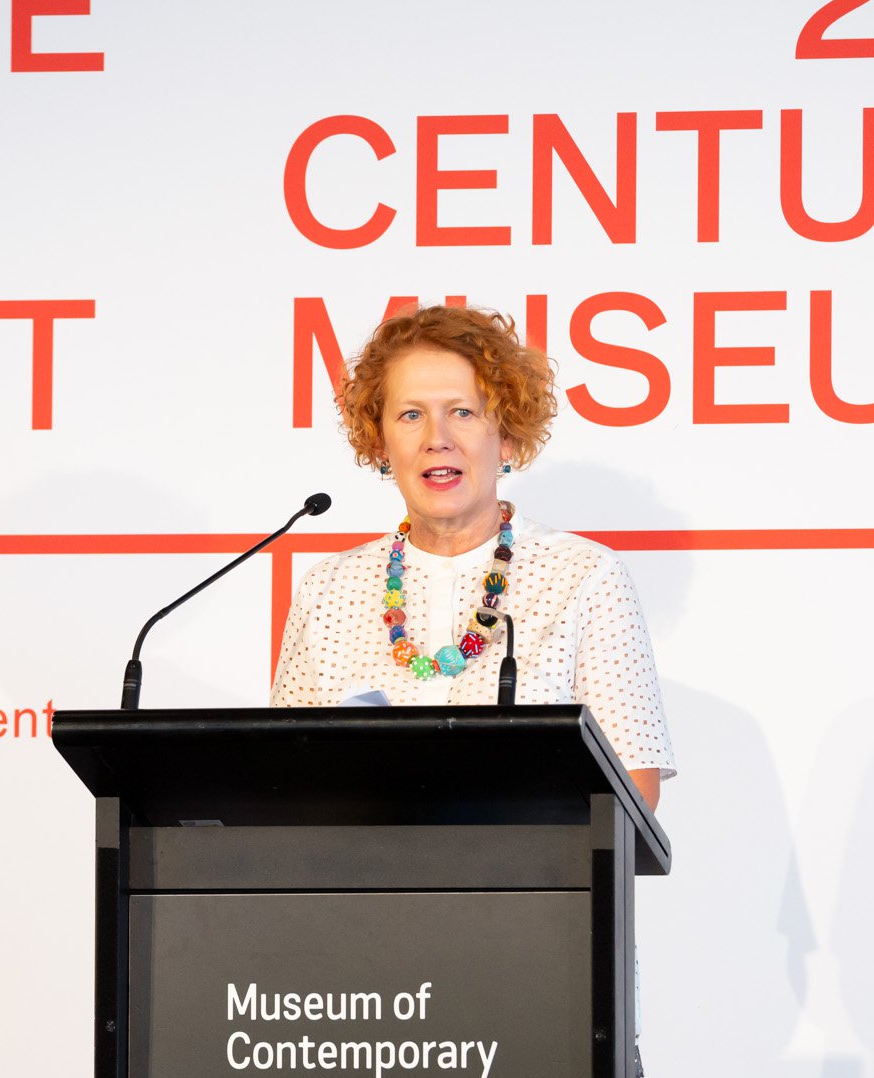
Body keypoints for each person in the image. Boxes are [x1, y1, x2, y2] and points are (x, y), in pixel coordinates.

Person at [269, 304, 675, 810]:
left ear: (506, 437)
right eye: (411, 415)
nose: (437, 439)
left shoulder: (583, 576)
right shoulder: (328, 589)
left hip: (530, 860)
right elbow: (282, 778)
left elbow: (633, 789)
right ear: (380, 443)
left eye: (462, 412)